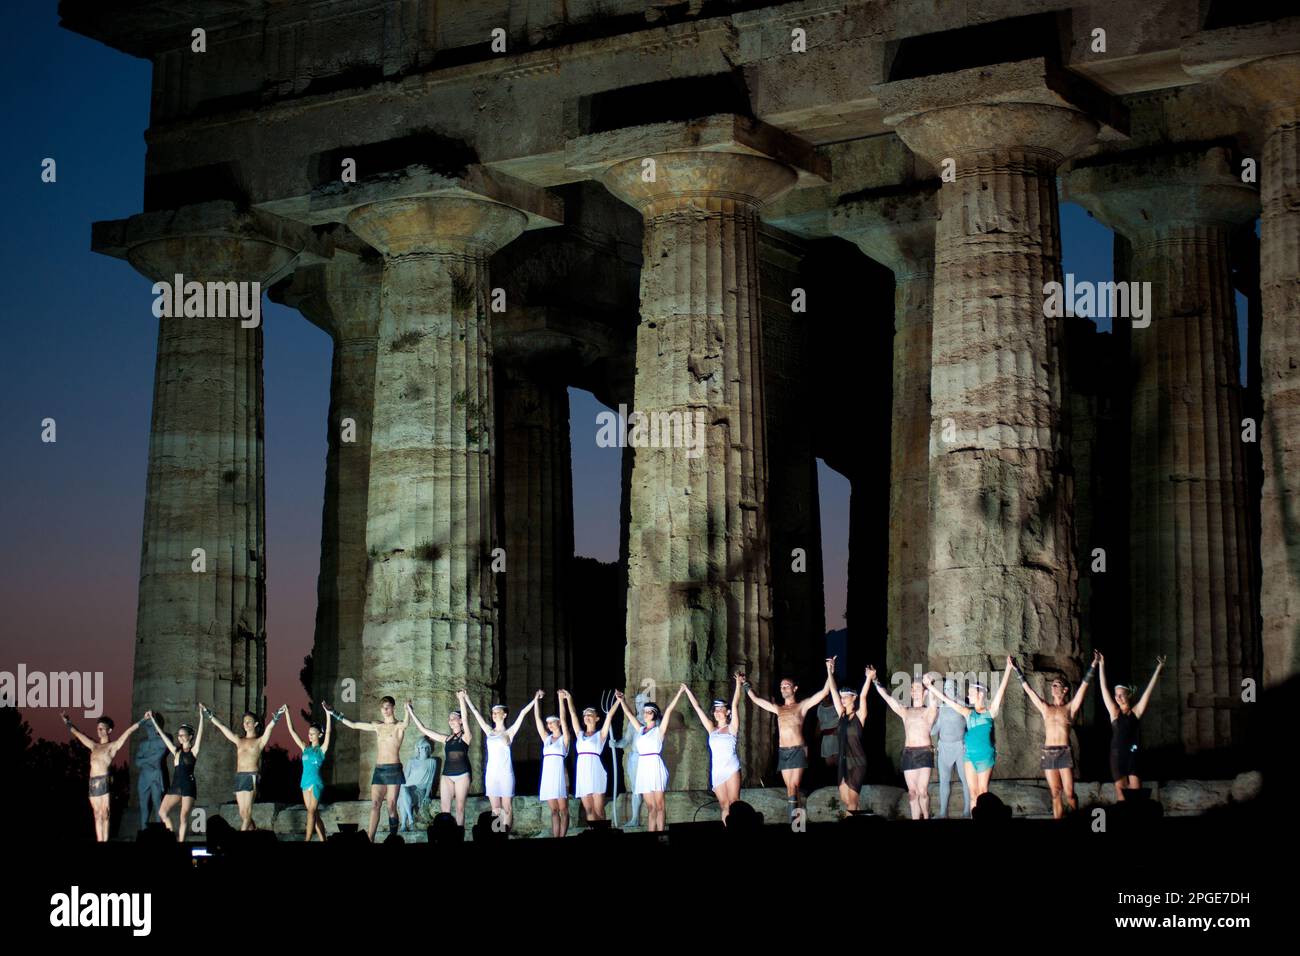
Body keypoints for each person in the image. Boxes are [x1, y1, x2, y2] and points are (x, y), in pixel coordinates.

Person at [745, 658, 836, 820]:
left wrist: (830, 670)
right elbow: (756, 700)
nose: (783, 688)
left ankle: (796, 825)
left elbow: (824, 692)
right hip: (783, 752)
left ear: (794, 688)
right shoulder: (778, 709)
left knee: (794, 787)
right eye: (781, 686)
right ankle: (795, 824)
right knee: (790, 790)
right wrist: (745, 685)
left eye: (786, 685)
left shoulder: (802, 706)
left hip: (797, 750)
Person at [1013, 651, 1097, 819]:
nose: (1053, 686)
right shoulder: (1046, 708)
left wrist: (1094, 665)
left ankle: (1076, 816)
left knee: (1069, 793)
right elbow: (1029, 692)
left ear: (1065, 690)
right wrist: (1017, 670)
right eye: (1053, 685)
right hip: (1048, 751)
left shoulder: (1069, 708)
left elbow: (1083, 688)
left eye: (1057, 684)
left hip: (1064, 751)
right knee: (1055, 792)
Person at [924, 658, 1013, 811]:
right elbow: (946, 699)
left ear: (980, 695)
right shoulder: (967, 713)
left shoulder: (990, 712)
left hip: (984, 756)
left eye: (972, 693)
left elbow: (1001, 691)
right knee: (973, 794)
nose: (969, 695)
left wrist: (1008, 669)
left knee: (982, 792)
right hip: (969, 755)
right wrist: (930, 687)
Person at [326, 695, 408, 840]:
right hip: (380, 770)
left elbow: (406, 724)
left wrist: (408, 710)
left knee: (391, 806)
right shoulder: (378, 725)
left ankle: (393, 837)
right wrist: (334, 713)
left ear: (393, 707)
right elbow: (354, 725)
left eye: (388, 707)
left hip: (394, 769)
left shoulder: (398, 726)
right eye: (383, 708)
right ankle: (370, 839)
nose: (385, 710)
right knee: (375, 804)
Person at [461, 689, 541, 832]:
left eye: (497, 712)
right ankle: (497, 835)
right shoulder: (489, 731)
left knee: (507, 808)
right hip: (491, 774)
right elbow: (476, 713)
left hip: (505, 774)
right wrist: (466, 698)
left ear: (504, 715)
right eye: (493, 712)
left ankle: (505, 835)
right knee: (495, 809)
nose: (494, 714)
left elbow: (523, 713)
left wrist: (535, 699)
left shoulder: (509, 732)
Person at [63, 711, 144, 842]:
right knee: (96, 815)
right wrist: (67, 722)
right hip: (92, 783)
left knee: (105, 814)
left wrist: (142, 720)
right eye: (98, 728)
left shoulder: (112, 746)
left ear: (109, 730)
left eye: (102, 728)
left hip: (103, 782)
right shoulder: (93, 745)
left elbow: (127, 733)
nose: (99, 731)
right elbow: (77, 734)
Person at [203, 703, 284, 831]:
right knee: (243, 814)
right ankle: (254, 833)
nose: (245, 724)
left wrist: (277, 716)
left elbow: (269, 728)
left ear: (255, 724)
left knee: (247, 813)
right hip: (239, 776)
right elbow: (222, 727)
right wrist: (209, 714)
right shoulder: (238, 740)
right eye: (244, 722)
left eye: (249, 722)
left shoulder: (259, 741)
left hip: (251, 776)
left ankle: (239, 841)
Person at [617, 684, 687, 832]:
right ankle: (651, 835)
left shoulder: (658, 731)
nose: (645, 714)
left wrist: (680, 693)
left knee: (660, 805)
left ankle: (661, 835)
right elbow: (630, 714)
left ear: (654, 714)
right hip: (643, 767)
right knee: (650, 807)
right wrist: (622, 701)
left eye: (648, 712)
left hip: (655, 766)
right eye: (644, 712)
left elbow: (668, 711)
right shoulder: (640, 729)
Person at [1098, 653, 1166, 802]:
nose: (1118, 697)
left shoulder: (1136, 712)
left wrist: (1158, 668)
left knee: (1136, 797)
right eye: (1116, 695)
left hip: (1133, 756)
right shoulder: (1114, 712)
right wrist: (1101, 665)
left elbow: (1148, 691)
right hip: (1117, 757)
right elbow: (1103, 689)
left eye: (1121, 695)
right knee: (1122, 798)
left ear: (1129, 695)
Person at [872, 671, 937, 819]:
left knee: (922, 792)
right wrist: (875, 680)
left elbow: (934, 700)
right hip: (909, 753)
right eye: (913, 689)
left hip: (924, 752)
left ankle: (926, 816)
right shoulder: (905, 711)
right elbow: (888, 698)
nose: (915, 692)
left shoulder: (929, 711)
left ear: (925, 692)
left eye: (918, 689)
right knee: (912, 793)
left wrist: (930, 684)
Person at [682, 673, 745, 822]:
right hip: (717, 770)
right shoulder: (712, 729)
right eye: (715, 710)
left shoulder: (732, 728)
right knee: (724, 805)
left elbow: (735, 704)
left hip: (731, 768)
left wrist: (738, 685)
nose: (717, 712)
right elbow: (697, 708)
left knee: (734, 802)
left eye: (720, 709)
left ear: (727, 712)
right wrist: (687, 691)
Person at [406, 693, 473, 826]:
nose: (451, 720)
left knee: (459, 808)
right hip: (447, 775)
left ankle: (459, 838)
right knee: (445, 811)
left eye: (454, 718)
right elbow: (423, 729)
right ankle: (445, 838)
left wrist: (461, 699)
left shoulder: (466, 737)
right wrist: (410, 711)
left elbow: (465, 719)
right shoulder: (446, 738)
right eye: (449, 719)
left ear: (459, 721)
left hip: (462, 775)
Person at [560, 690, 617, 823]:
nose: (586, 716)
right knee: (589, 810)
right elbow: (573, 714)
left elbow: (609, 716)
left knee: (599, 810)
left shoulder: (600, 735)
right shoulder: (579, 734)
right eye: (585, 715)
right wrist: (568, 698)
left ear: (597, 718)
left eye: (590, 714)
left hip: (596, 771)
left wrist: (619, 701)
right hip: (583, 772)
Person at [151, 707, 202, 841]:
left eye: (182, 735)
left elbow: (200, 733)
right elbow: (162, 735)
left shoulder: (194, 751)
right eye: (178, 735)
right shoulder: (176, 751)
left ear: (190, 736)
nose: (180, 737)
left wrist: (202, 717)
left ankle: (181, 843)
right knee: (162, 812)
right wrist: (153, 720)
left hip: (188, 785)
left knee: (183, 816)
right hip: (176, 786)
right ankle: (171, 837)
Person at [825, 666, 871, 813]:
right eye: (841, 696)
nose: (842, 699)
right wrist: (829, 671)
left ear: (853, 697)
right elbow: (832, 691)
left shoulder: (859, 716)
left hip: (857, 761)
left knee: (852, 803)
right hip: (843, 761)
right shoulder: (841, 715)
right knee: (848, 802)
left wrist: (869, 677)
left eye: (845, 696)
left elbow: (863, 696)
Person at [285, 706, 332, 842]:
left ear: (319, 735)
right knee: (314, 814)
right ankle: (324, 840)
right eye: (309, 733)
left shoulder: (321, 750)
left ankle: (307, 840)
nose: (310, 735)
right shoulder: (305, 748)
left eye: (313, 733)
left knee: (311, 812)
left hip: (316, 782)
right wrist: (287, 713)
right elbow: (292, 731)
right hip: (304, 782)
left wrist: (328, 714)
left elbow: (328, 732)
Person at [534, 693, 572, 837]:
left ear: (558, 723)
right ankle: (555, 836)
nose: (549, 724)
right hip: (548, 776)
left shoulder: (564, 738)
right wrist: (536, 700)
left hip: (561, 774)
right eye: (548, 723)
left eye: (552, 722)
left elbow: (563, 718)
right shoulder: (546, 739)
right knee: (554, 810)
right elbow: (537, 720)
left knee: (563, 809)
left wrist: (560, 700)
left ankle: (562, 836)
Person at [931, 678, 969, 818]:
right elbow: (935, 730)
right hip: (944, 747)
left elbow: (969, 725)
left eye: (950, 688)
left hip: (960, 747)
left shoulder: (962, 705)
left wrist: (968, 743)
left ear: (956, 690)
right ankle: (943, 812)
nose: (947, 691)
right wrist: (927, 724)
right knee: (944, 780)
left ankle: (967, 811)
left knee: (965, 779)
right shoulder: (941, 708)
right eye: (945, 688)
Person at [134, 711, 170, 831]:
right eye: (147, 726)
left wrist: (145, 759)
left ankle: (159, 830)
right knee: (144, 806)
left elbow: (158, 756)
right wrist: (147, 760)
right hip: (144, 776)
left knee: (157, 803)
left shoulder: (162, 741)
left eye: (151, 725)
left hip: (155, 775)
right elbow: (137, 762)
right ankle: (144, 830)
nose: (149, 729)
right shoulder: (143, 744)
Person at [397, 737, 437, 830]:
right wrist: (398, 793)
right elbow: (405, 777)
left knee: (403, 798)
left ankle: (404, 824)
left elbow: (431, 780)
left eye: (427, 747)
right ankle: (410, 820)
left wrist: (427, 795)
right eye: (423, 747)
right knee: (402, 791)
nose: (425, 749)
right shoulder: (411, 761)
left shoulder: (432, 762)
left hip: (420, 790)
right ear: (418, 749)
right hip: (409, 787)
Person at [816, 694, 840, 785]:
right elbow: (819, 724)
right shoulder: (819, 708)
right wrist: (816, 737)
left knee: (838, 763)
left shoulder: (837, 706)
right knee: (829, 764)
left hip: (837, 738)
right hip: (826, 739)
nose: (827, 698)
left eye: (829, 696)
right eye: (825, 696)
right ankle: (830, 785)